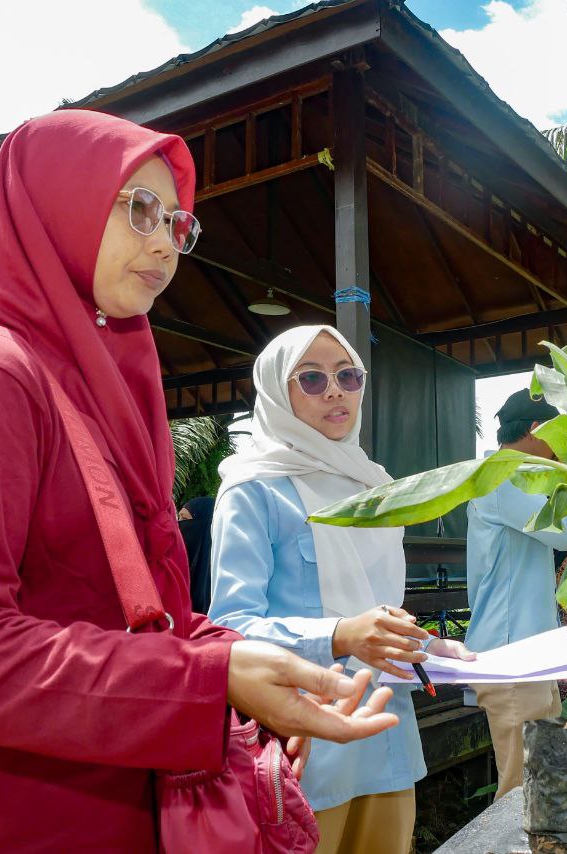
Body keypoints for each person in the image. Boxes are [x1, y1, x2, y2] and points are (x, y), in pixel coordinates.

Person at [0, 110, 398, 851]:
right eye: (138, 208)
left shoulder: (90, 384)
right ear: (54, 202)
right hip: (19, 819)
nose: (163, 242)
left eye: (177, 222)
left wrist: (245, 672)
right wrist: (207, 682)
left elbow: (137, 612)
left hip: (116, 796)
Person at [210, 324, 474, 854]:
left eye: (348, 375)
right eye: (311, 379)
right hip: (306, 743)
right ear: (276, 393)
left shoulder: (375, 485)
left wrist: (428, 646)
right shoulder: (253, 489)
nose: (335, 390)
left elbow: (378, 612)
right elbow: (230, 628)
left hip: (384, 731)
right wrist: (340, 634)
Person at [464, 390, 567, 799]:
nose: (561, 447)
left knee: (542, 777)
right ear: (536, 429)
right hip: (512, 652)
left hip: (531, 648)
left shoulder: (516, 477)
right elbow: (566, 534)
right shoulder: (502, 476)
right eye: (558, 436)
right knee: (520, 788)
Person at [178, 496, 216, 614]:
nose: (178, 525)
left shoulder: (221, 581)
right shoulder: (174, 568)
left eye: (184, 518)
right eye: (178, 518)